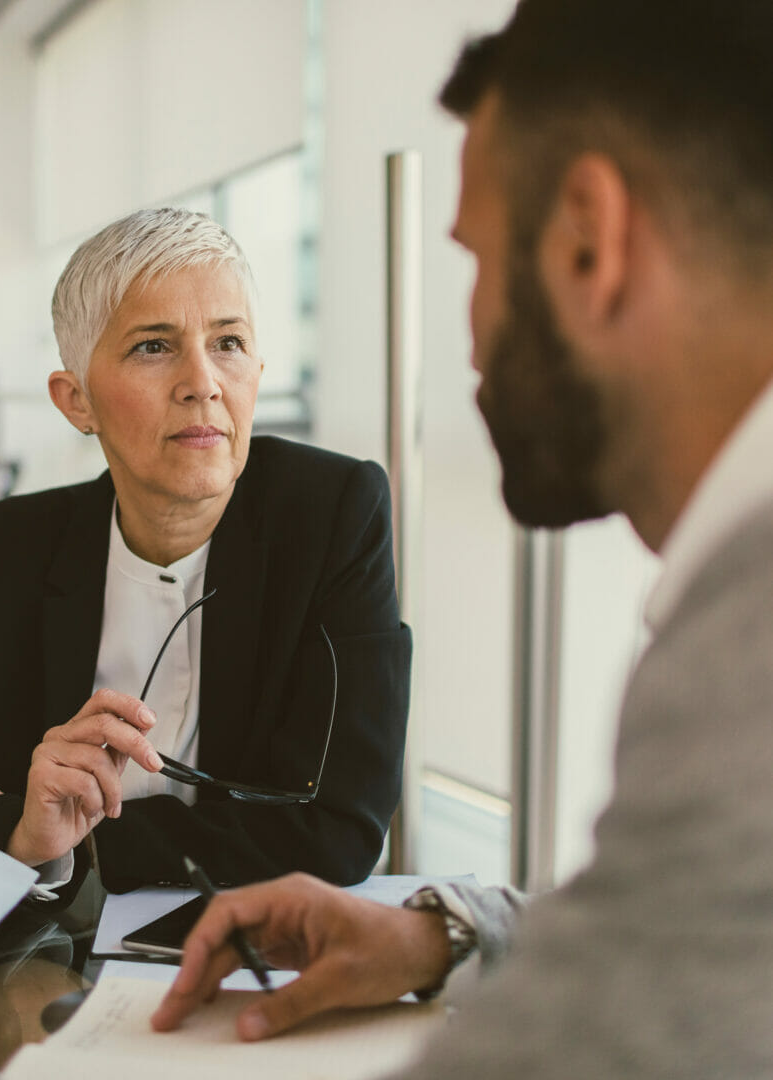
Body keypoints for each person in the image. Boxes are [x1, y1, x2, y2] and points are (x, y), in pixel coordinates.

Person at [147, 1, 773, 1076]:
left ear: (589, 239)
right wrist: (443, 930)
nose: (471, 340)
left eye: (477, 261)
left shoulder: (747, 648)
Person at [0, 208, 411, 898]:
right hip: (46, 957)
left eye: (228, 343)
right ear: (77, 401)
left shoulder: (333, 514)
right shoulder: (0, 552)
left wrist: (59, 843)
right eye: (153, 347)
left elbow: (339, 828)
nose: (202, 382)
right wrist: (25, 832)